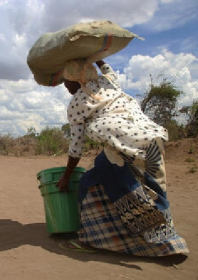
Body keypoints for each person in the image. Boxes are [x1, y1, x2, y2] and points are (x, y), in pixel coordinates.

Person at [56, 59, 189, 256]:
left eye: (66, 81)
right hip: (152, 139)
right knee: (154, 189)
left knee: (88, 185)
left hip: (124, 146)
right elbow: (108, 70)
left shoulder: (77, 102)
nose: (65, 86)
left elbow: (76, 147)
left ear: (77, 79)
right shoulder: (109, 82)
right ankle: (168, 243)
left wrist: (66, 176)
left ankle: (91, 240)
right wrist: (97, 57)